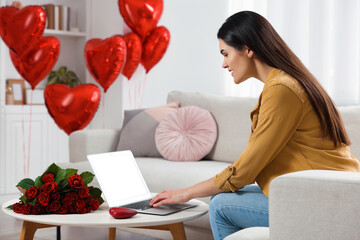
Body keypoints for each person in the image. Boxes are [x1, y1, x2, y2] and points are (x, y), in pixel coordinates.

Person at [150, 10, 359, 240]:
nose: (224, 63)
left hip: (323, 200)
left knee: (221, 207)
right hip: (324, 193)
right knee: (223, 200)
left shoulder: (282, 89)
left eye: (226, 53)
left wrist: (186, 193)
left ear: (248, 49)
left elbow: (246, 170)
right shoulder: (285, 83)